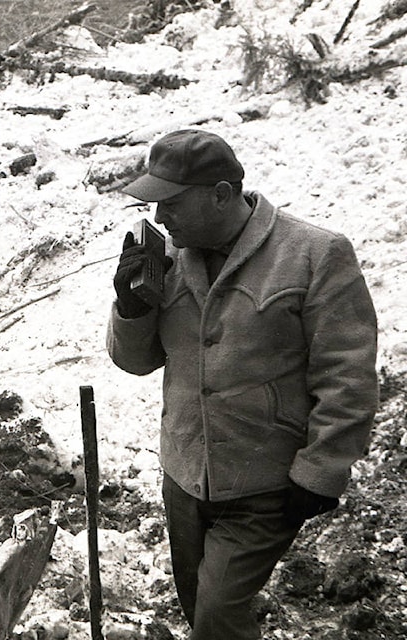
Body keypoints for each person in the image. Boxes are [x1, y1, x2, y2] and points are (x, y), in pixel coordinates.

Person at [106, 129, 378, 639]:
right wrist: (131, 306)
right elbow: (135, 362)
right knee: (200, 609)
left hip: (267, 483)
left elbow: (348, 373)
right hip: (185, 476)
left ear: (221, 194)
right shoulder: (165, 260)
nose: (160, 218)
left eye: (171, 204)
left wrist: (322, 468)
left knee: (217, 613)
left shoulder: (314, 255)